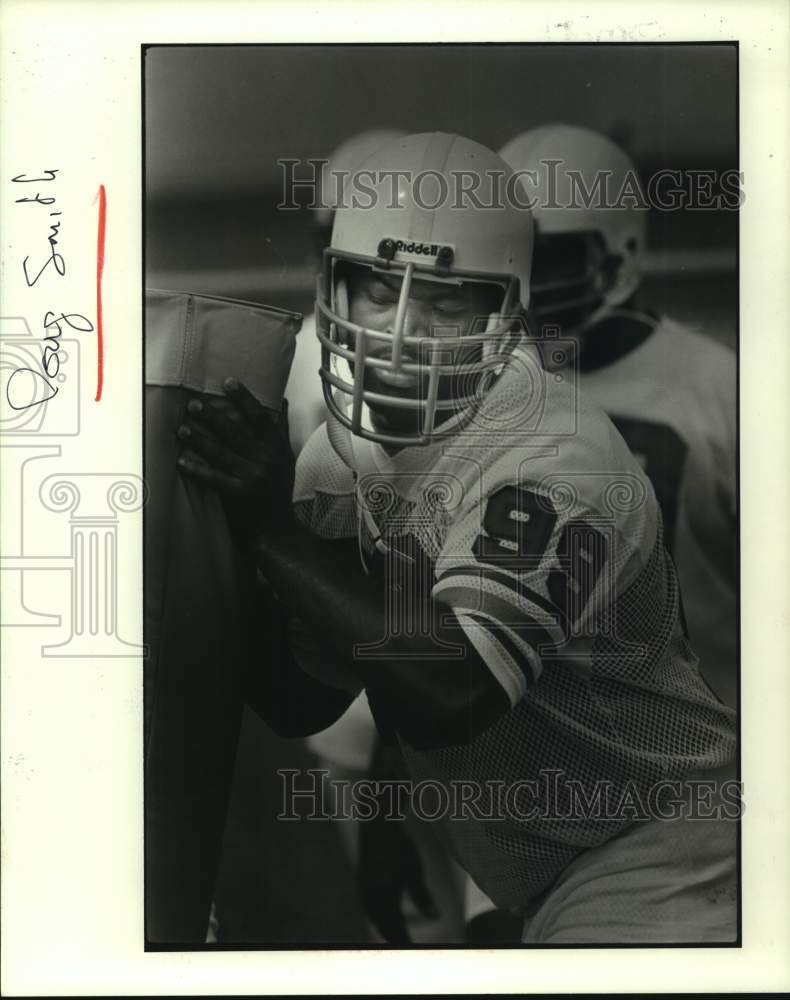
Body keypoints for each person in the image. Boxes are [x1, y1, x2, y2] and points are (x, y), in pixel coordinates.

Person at [176, 131, 737, 944]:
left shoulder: (552, 451)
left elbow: (453, 691)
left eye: (445, 302)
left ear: (508, 313)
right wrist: (220, 527)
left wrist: (273, 528)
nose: (402, 332)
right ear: (332, 288)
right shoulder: (342, 456)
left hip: (666, 854)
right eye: (377, 289)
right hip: (550, 865)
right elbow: (302, 697)